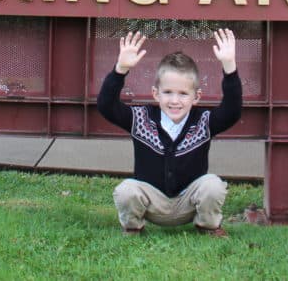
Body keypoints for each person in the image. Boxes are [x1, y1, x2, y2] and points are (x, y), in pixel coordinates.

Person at [96, 28, 242, 237]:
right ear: (156, 93)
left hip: (188, 202)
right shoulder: (141, 119)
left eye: (183, 94)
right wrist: (120, 69)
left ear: (196, 96)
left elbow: (232, 112)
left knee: (213, 185)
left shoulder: (203, 121)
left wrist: (229, 67)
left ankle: (208, 226)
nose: (175, 100)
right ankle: (133, 228)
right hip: (151, 202)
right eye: (168, 93)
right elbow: (106, 106)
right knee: (126, 190)